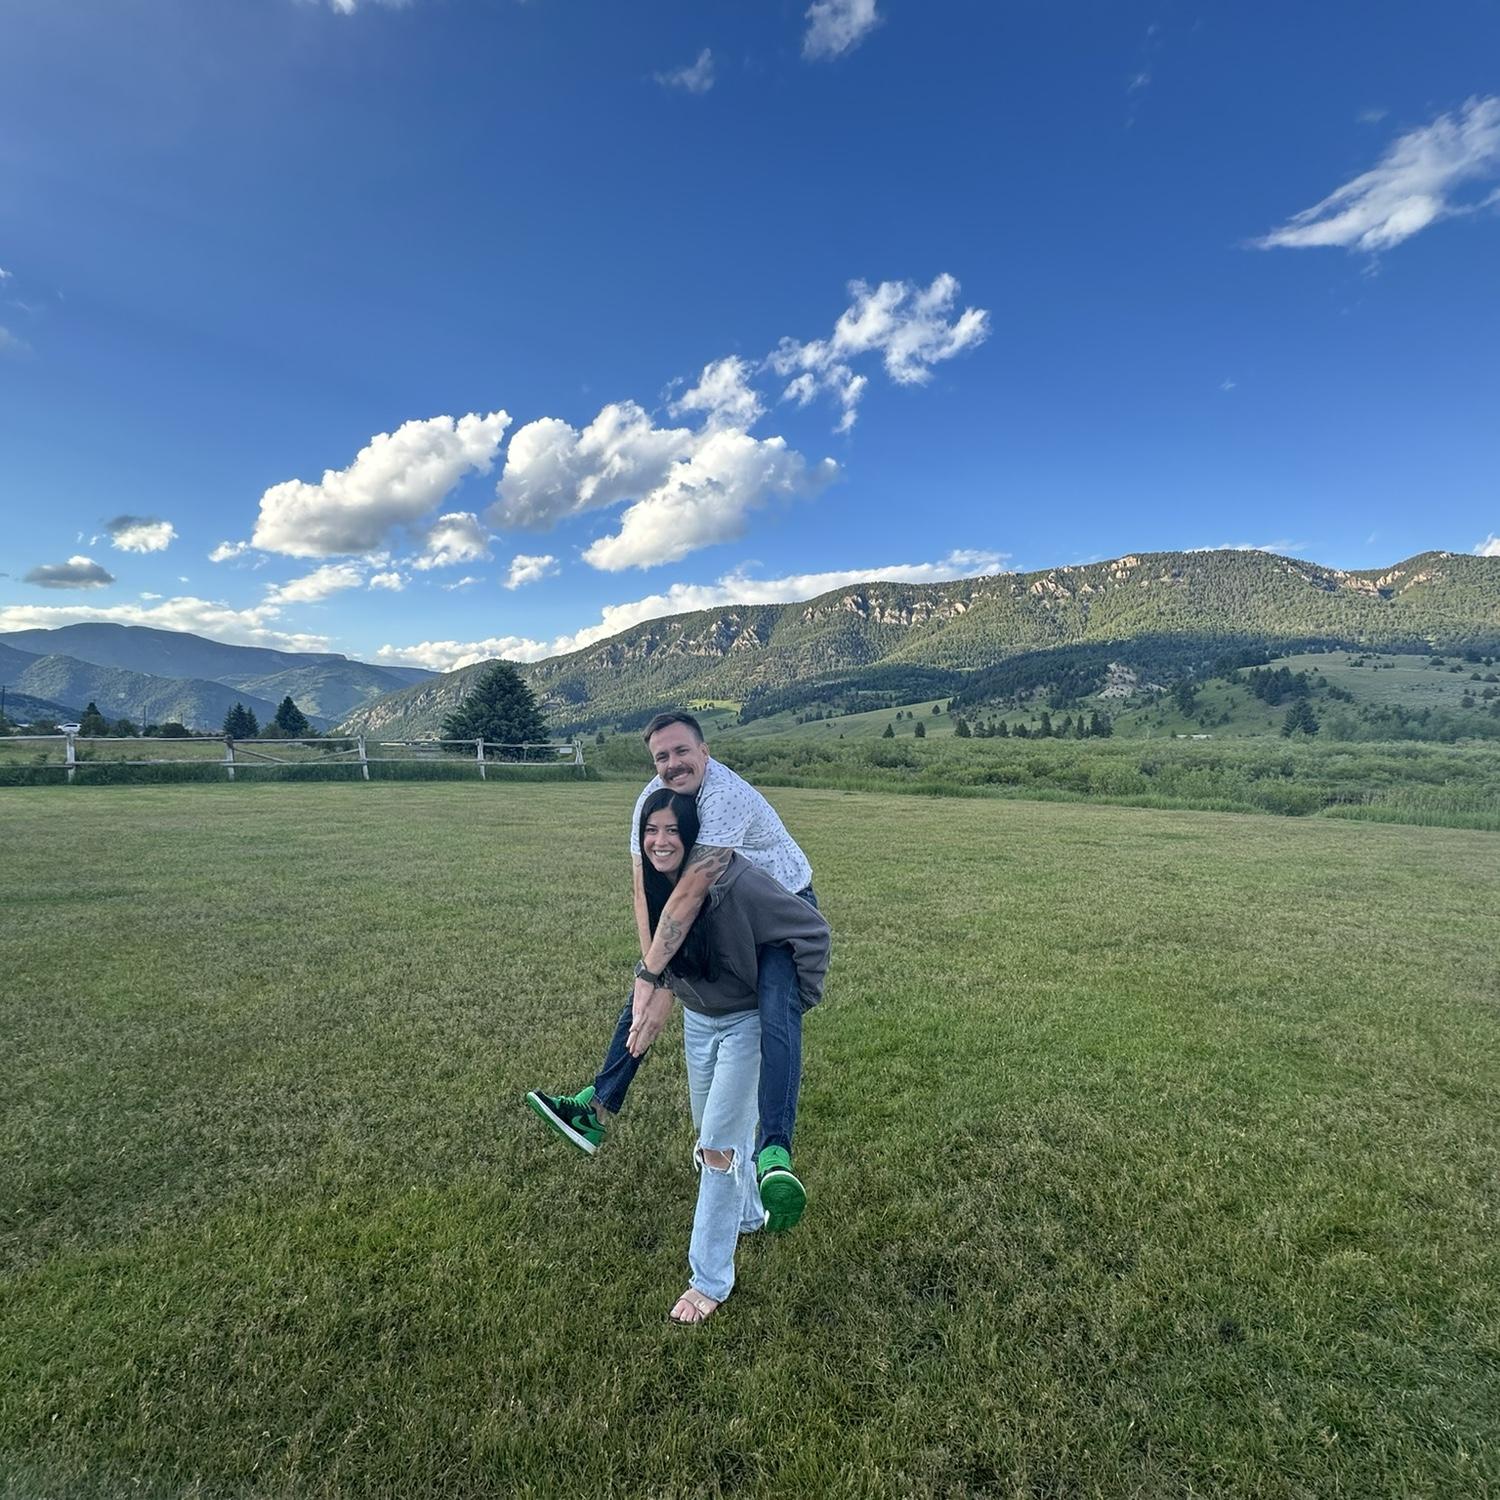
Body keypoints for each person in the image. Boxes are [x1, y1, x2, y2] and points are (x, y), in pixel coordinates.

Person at [526, 711, 821, 1230]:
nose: (672, 764)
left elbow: (690, 890)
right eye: (661, 756)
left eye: (682, 751)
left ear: (705, 751)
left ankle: (774, 1152)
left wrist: (655, 975)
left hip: (780, 909)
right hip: (725, 911)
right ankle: (597, 1108)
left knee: (776, 1008)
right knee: (651, 975)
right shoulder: (653, 802)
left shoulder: (723, 796)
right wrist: (653, 976)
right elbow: (646, 891)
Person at [633, 788, 829, 1322]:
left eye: (673, 831)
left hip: (747, 1022)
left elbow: (812, 930)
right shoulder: (656, 887)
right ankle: (748, 1215)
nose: (660, 841)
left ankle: (709, 1279)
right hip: (700, 1021)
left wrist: (791, 999)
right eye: (651, 831)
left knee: (717, 1147)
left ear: (695, 837)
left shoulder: (736, 880)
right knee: (714, 1131)